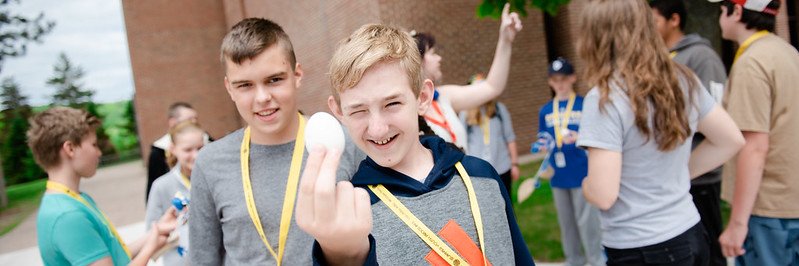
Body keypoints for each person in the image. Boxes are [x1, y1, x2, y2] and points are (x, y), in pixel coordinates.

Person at [295, 23, 534, 265]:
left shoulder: (483, 176)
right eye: (359, 110)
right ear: (338, 112)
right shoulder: (354, 216)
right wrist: (342, 257)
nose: (377, 128)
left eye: (391, 104)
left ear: (422, 97)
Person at [575, 0, 745, 265]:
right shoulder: (682, 78)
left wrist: (586, 185)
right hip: (691, 232)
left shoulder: (605, 98)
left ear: (597, 37)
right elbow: (730, 140)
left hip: (641, 247)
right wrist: (677, 174)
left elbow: (602, 194)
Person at [188, 18, 364, 265]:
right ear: (229, 88)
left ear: (297, 75)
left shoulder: (345, 142)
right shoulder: (209, 163)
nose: (262, 97)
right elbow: (202, 259)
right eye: (245, 85)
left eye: (274, 80)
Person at [709, 0, 799, 264]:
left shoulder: (752, 62)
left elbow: (754, 146)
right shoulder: (788, 52)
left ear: (736, 12)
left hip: (767, 209)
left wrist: (737, 223)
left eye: (721, 9)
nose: (719, 16)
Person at [30, 107, 178, 266]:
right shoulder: (68, 215)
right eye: (94, 145)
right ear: (70, 148)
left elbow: (115, 256)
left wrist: (154, 233)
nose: (99, 153)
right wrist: (150, 248)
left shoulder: (75, 198)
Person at [650, 1, 729, 264]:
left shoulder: (700, 56)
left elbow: (715, 111)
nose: (649, 27)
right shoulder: (655, 60)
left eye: (655, 19)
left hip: (701, 176)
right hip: (670, 177)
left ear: (674, 20)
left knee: (709, 253)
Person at [414, 4, 522, 151]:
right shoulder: (410, 109)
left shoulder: (442, 96)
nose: (439, 58)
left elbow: (492, 87)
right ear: (418, 62)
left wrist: (505, 41)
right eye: (432, 53)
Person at [536, 57, 604, 266]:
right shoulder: (546, 110)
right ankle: (574, 260)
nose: (560, 84)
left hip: (581, 171)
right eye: (555, 80)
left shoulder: (585, 104)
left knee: (588, 221)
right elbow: (543, 137)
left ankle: (596, 260)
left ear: (573, 78)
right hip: (558, 175)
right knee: (567, 223)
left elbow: (597, 135)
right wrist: (543, 145)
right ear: (550, 82)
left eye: (564, 79)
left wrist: (580, 138)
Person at [145, 120, 205, 265]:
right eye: (188, 150)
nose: (195, 155)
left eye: (200, 148)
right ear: (173, 149)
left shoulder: (215, 178)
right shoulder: (161, 186)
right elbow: (151, 232)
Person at [460, 74, 519, 194]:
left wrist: (514, 164)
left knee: (506, 207)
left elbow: (510, 137)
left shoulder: (499, 109)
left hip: (502, 167)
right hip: (478, 171)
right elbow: (461, 142)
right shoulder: (465, 112)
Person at [147, 102, 210, 202]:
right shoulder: (158, 151)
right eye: (189, 119)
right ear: (172, 122)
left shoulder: (208, 140)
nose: (194, 123)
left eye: (196, 119)